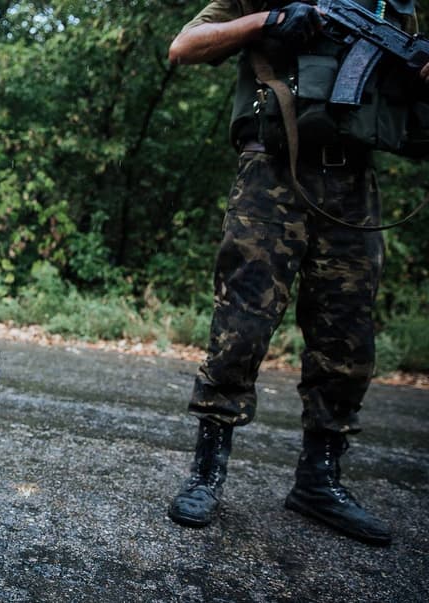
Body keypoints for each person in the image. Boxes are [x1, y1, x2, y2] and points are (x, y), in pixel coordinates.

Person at [165, 0, 429, 546]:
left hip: (352, 184)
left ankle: (320, 478)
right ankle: (206, 473)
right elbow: (184, 46)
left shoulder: (393, 9)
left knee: (347, 339)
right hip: (270, 175)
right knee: (241, 327)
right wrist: (268, 22)